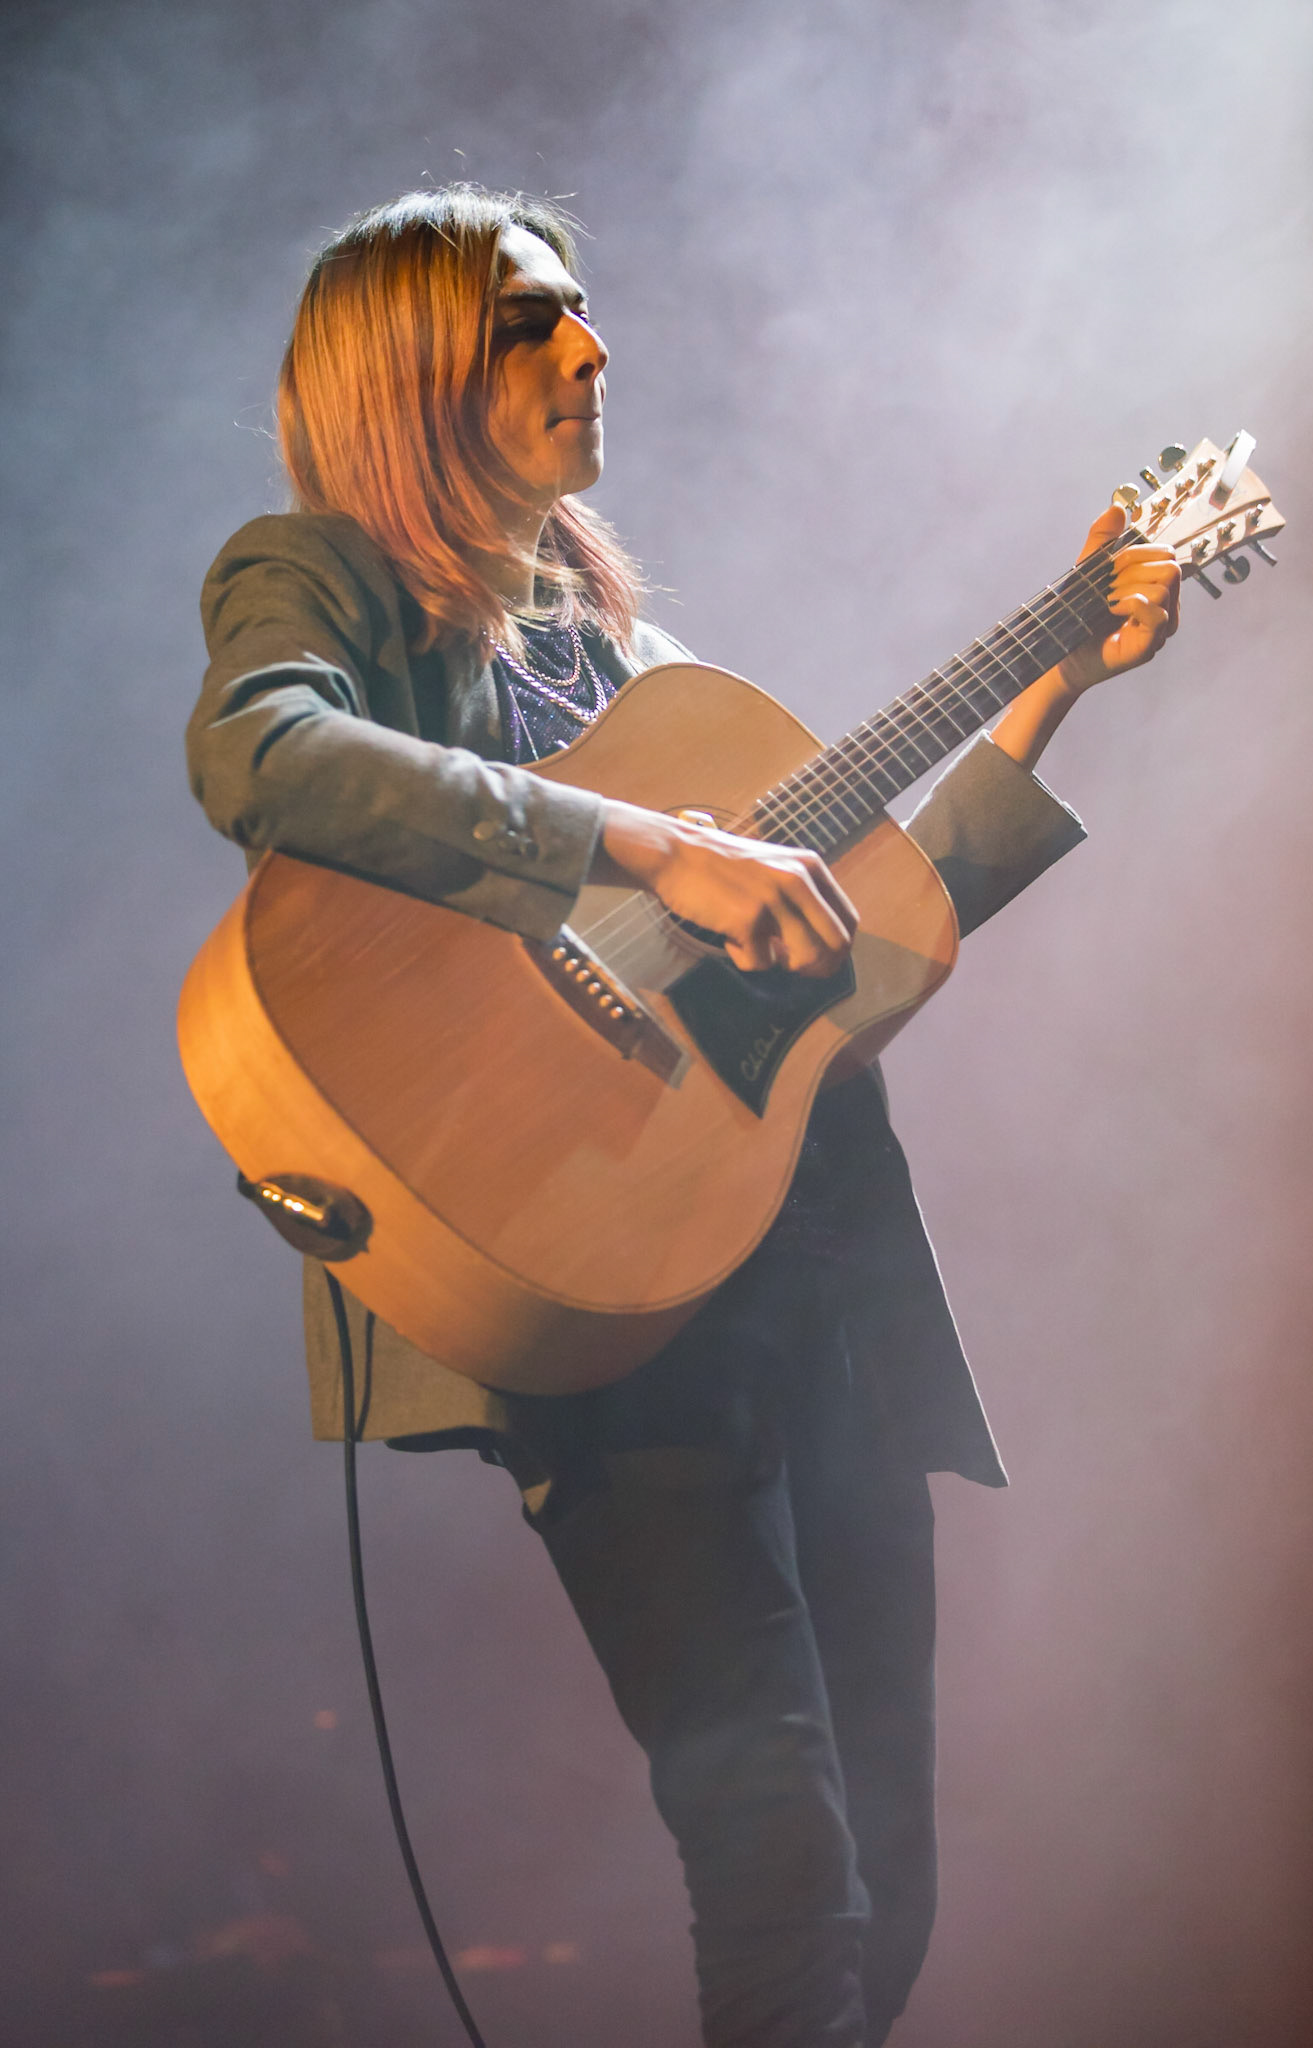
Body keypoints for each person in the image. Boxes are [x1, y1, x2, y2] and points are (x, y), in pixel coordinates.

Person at [187, 184, 1180, 2048]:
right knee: (781, 1863)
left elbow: (857, 949)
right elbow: (263, 754)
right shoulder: (314, 581)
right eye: (538, 316)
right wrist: (645, 845)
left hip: (802, 1282)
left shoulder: (630, 666)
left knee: (888, 1877)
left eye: (585, 311)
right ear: (415, 371)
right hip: (605, 1317)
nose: (594, 346)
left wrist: (1055, 677)